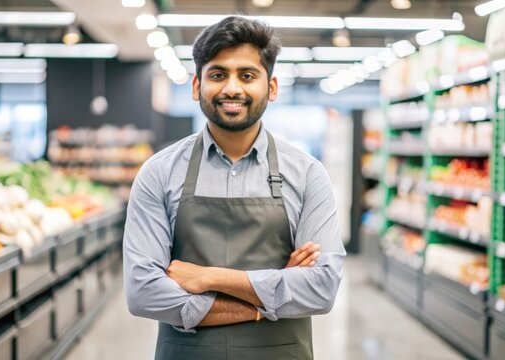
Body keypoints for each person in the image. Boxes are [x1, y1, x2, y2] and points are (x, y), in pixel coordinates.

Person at [123, 16, 346, 360]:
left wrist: (209, 277)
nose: (231, 88)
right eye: (217, 74)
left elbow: (322, 289)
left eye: (247, 75)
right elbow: (143, 293)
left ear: (270, 87)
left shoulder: (307, 174)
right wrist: (268, 299)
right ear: (197, 86)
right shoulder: (159, 173)